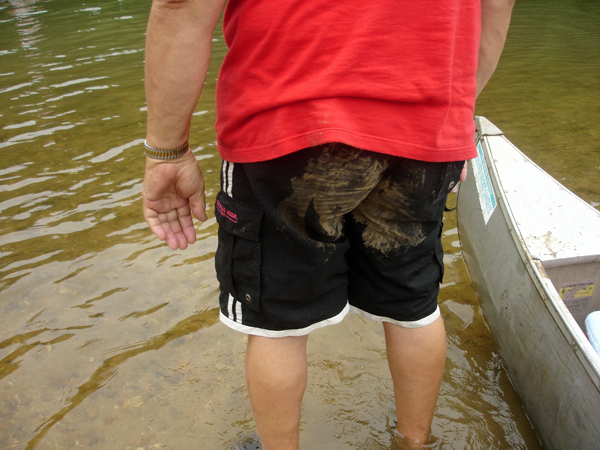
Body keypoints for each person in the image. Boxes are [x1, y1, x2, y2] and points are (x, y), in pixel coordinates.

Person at [141, 1, 515, 449]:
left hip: (288, 122)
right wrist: (455, 115)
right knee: (411, 305)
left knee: (276, 324)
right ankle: (412, 443)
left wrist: (167, 150)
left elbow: (181, 6)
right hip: (426, 124)